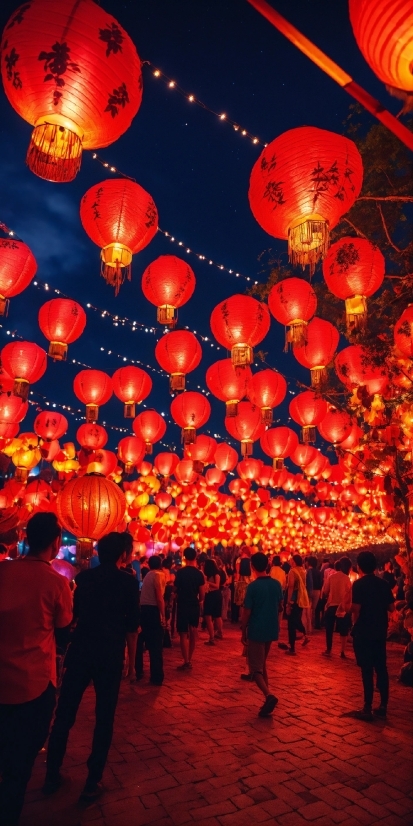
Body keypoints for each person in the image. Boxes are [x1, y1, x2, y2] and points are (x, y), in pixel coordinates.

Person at [43, 532, 140, 802]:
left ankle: (52, 774)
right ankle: (92, 781)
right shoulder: (128, 583)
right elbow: (132, 627)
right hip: (109, 655)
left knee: (64, 714)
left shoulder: (84, 579)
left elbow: (73, 616)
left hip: (81, 650)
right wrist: (131, 664)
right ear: (123, 554)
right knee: (104, 718)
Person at [0, 513, 72, 826]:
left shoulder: (3, 571)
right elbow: (64, 629)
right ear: (56, 543)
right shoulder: (57, 583)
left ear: (27, 538)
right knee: (19, 766)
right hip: (34, 685)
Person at [351, 550, 395, 721]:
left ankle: (367, 706)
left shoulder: (359, 585)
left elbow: (356, 609)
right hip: (380, 631)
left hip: (363, 631)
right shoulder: (384, 584)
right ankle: (383, 706)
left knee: (367, 670)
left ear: (360, 566)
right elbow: (392, 608)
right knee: (381, 668)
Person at [241, 552, 282, 717]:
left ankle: (269, 695)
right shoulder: (276, 584)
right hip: (271, 628)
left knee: (255, 668)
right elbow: (280, 606)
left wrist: (243, 629)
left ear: (252, 567)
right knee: (262, 663)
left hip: (257, 629)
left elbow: (247, 612)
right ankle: (267, 698)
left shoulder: (253, 587)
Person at [135, 555, 165, 685]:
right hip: (152, 611)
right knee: (155, 645)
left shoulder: (148, 575)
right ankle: (156, 676)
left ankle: (139, 671)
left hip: (143, 610)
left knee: (140, 642)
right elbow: (159, 597)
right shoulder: (157, 575)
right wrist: (163, 615)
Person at [174, 547, 205, 670]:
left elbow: (175, 589)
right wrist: (199, 601)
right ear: (195, 557)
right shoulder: (199, 574)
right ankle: (189, 659)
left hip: (182, 604)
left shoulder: (180, 572)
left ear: (185, 558)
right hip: (193, 604)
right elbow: (202, 593)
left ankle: (186, 660)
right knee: (193, 632)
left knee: (183, 633)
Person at [321, 557, 352, 658]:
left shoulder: (331, 577)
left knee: (329, 629)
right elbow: (349, 593)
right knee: (344, 630)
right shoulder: (347, 578)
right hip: (342, 607)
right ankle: (342, 651)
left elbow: (325, 592)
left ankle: (328, 649)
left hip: (331, 606)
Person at [285, 554, 310, 655]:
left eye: (291, 560)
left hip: (294, 600)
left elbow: (291, 587)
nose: (290, 562)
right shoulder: (303, 571)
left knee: (291, 623)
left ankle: (292, 647)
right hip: (301, 600)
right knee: (296, 619)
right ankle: (304, 635)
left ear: (294, 561)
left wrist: (288, 602)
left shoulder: (292, 571)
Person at [203, 558, 223, 645]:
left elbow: (217, 586)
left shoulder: (216, 574)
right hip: (215, 595)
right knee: (216, 615)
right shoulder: (210, 575)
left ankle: (212, 637)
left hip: (213, 595)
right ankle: (219, 633)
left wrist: (207, 582)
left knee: (210, 616)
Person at [307, 557, 322, 627]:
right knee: (314, 609)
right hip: (317, 591)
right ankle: (313, 624)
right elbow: (321, 582)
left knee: (308, 608)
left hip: (309, 590)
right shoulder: (318, 571)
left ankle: (309, 624)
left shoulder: (307, 571)